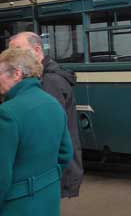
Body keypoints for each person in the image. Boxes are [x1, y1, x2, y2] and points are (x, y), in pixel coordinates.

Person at [0, 47, 73, 215]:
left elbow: (2, 175)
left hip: (16, 205)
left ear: (17, 74)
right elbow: (66, 154)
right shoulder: (52, 103)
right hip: (49, 199)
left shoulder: (7, 113)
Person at [9, 32, 83, 197]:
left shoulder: (49, 82)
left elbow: (48, 133)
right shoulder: (45, 77)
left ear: (37, 50)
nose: (12, 58)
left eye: (18, 51)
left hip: (54, 171)